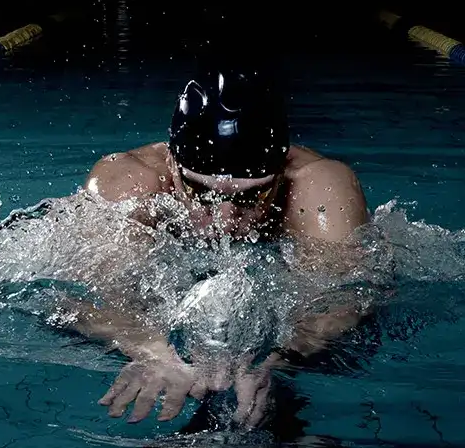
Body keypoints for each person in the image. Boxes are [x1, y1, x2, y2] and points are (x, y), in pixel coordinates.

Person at [71, 65, 372, 428]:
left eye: (250, 197)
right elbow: (85, 297)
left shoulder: (319, 189)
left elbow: (346, 298)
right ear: (172, 162)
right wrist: (151, 349)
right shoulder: (129, 184)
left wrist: (278, 359)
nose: (224, 220)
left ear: (281, 171)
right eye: (202, 192)